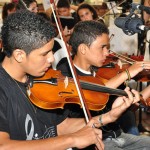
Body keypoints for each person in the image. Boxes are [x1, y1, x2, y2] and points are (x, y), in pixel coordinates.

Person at [0, 10, 141, 150]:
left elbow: (60, 127)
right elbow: (4, 146)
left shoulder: (40, 81)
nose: (51, 58)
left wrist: (108, 116)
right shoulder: (3, 88)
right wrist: (72, 139)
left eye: (51, 51)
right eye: (44, 54)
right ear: (19, 55)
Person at [57, 20, 150, 150]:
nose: (107, 53)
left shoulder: (103, 73)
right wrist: (127, 73)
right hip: (95, 142)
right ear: (83, 49)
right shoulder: (66, 69)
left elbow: (131, 108)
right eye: (103, 47)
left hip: (118, 135)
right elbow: (94, 90)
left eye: (108, 48)